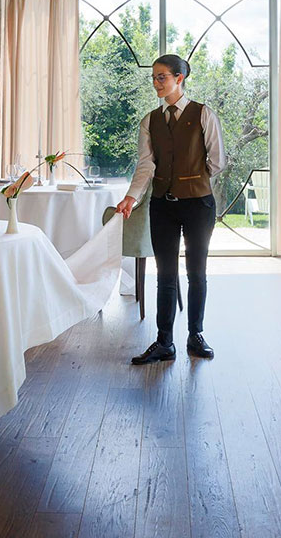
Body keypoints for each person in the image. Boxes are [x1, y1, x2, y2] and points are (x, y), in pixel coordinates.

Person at [115, 54, 224, 364]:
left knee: (196, 272)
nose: (155, 82)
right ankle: (164, 342)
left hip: (199, 205)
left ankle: (195, 336)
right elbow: (146, 164)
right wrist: (132, 197)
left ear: (180, 78)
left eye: (161, 76)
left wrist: (192, 179)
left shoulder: (203, 114)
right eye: (153, 77)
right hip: (162, 204)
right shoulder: (150, 120)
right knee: (164, 274)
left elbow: (217, 161)